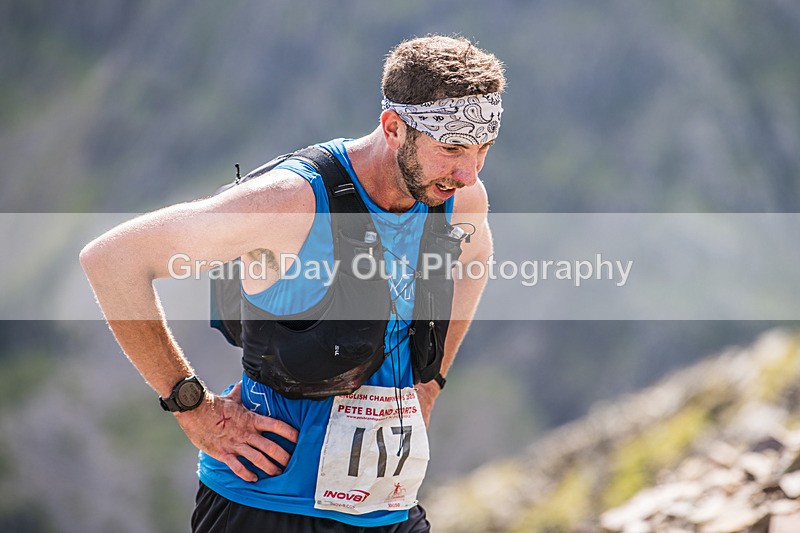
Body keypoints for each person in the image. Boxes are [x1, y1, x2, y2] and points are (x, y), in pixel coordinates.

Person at [80, 34, 505, 532]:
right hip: (265, 506)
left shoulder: (459, 198)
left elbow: (475, 259)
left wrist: (429, 384)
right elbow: (112, 260)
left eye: (483, 150)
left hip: (389, 509)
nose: (468, 171)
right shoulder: (291, 202)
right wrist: (190, 405)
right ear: (393, 128)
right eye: (452, 147)